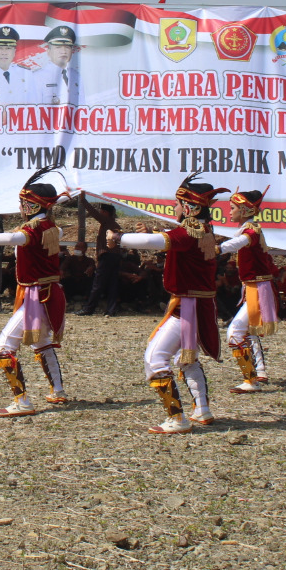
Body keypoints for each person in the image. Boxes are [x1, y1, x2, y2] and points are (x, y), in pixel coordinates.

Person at [107, 174, 227, 434]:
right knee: (187, 360)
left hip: (187, 307)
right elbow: (162, 242)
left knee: (155, 358)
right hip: (196, 305)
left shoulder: (189, 231)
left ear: (190, 208)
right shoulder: (205, 231)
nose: (174, 208)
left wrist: (117, 237)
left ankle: (177, 418)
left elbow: (154, 243)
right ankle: (202, 409)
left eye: (177, 203)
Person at [0, 165, 69, 416]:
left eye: (24, 203)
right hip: (49, 293)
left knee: (4, 347)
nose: (21, 207)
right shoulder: (52, 228)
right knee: (44, 343)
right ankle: (57, 391)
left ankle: (22, 401)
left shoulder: (32, 230)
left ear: (33, 206)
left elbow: (14, 239)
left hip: (37, 297)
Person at [215, 188, 278, 394]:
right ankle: (258, 371)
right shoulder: (249, 229)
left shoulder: (251, 231)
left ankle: (250, 380)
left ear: (243, 210)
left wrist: (216, 249)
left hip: (258, 289)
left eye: (232, 208)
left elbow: (238, 243)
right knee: (247, 330)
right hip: (253, 287)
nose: (229, 212)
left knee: (234, 332)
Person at [77, 201, 121, 316]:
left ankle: (89, 308)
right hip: (115, 256)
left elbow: (93, 212)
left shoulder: (106, 222)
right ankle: (111, 310)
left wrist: (83, 200)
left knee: (98, 283)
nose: (100, 213)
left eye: (102, 211)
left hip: (107, 256)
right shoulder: (115, 225)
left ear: (105, 213)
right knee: (112, 283)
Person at [29, 26, 82, 106]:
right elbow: (33, 111)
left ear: (72, 52)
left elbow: (83, 108)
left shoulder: (76, 76)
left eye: (67, 47)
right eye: (58, 47)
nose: (63, 51)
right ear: (49, 52)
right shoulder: (37, 77)